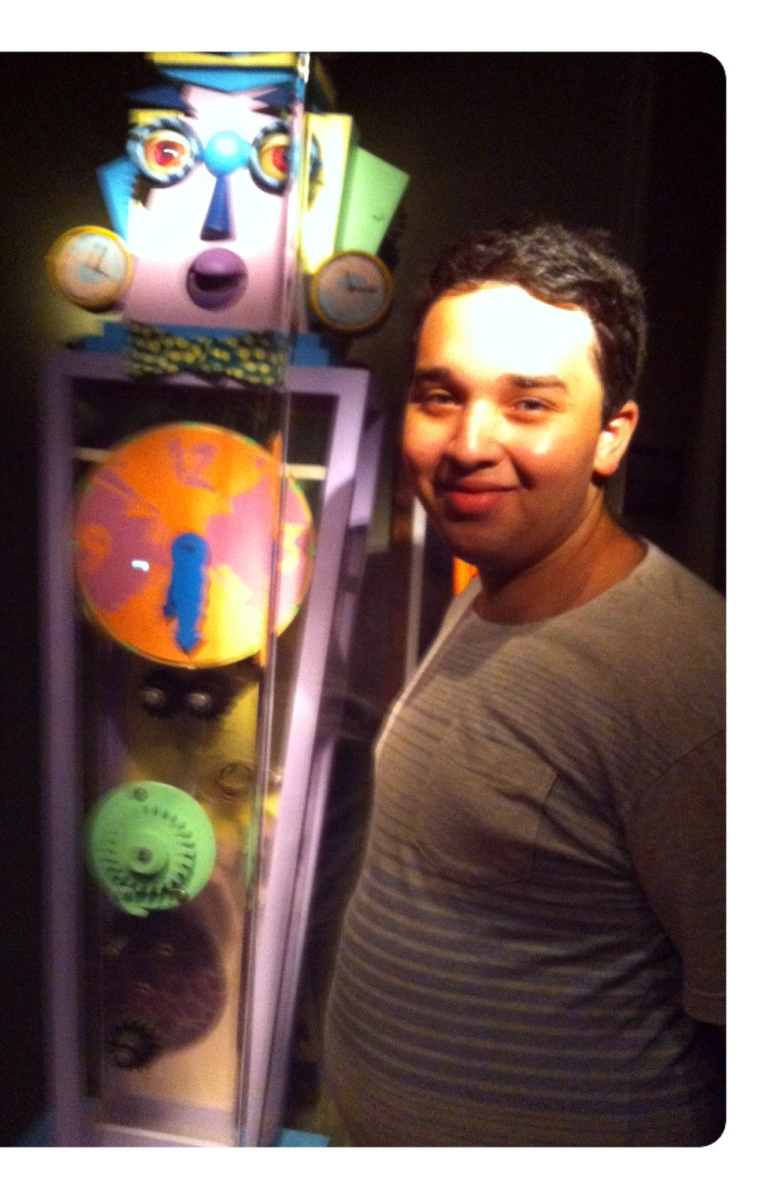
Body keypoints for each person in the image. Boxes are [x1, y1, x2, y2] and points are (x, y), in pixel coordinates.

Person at [322, 222, 725, 1146]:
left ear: (611, 436)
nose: (469, 443)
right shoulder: (493, 586)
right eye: (440, 396)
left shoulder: (691, 692)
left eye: (529, 403)